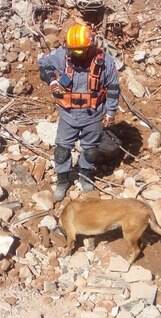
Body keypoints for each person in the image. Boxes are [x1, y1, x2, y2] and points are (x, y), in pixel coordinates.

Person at [38, 23, 120, 201]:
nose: (79, 55)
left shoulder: (105, 61)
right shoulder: (61, 56)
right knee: (61, 150)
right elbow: (43, 64)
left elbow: (113, 87)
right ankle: (62, 179)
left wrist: (110, 112)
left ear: (90, 45)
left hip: (93, 115)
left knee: (90, 150)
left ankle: (85, 175)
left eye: (82, 50)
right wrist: (52, 81)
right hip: (68, 115)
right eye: (75, 51)